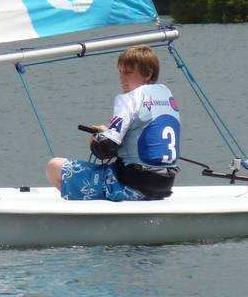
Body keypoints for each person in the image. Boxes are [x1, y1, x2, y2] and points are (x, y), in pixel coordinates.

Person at [45, 45, 180, 201]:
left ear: (148, 74)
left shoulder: (129, 98)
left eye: (128, 72)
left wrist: (96, 139)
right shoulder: (166, 96)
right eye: (120, 71)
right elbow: (144, 138)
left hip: (131, 186)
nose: (122, 78)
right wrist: (108, 131)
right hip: (164, 186)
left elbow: (105, 149)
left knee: (54, 167)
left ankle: (95, 220)